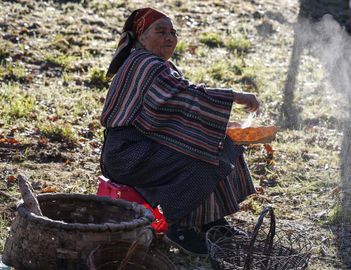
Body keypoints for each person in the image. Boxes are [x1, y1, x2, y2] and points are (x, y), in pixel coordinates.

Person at [100, 7, 260, 256]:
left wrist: (220, 126)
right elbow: (187, 95)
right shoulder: (145, 63)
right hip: (128, 154)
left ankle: (212, 222)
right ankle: (181, 227)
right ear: (141, 36)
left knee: (219, 142)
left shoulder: (156, 64)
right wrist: (236, 96)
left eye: (173, 32)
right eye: (161, 31)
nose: (169, 38)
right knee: (207, 154)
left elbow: (175, 111)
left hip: (144, 145)